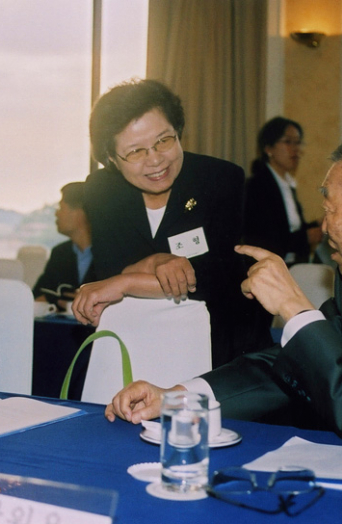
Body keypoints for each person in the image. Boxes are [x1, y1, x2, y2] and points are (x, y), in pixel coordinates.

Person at [105, 130, 342, 446]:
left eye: (331, 210)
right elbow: (296, 367)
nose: (323, 227)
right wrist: (177, 398)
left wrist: (295, 308)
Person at [73, 79, 271, 368]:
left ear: (178, 132)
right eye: (135, 151)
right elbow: (108, 268)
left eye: (163, 141)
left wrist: (126, 282)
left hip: (219, 345)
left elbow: (218, 277)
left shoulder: (220, 179)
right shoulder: (102, 191)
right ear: (112, 158)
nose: (155, 160)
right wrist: (157, 262)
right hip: (136, 340)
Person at [244, 117, 322, 265]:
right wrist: (305, 237)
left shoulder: (287, 184)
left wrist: (318, 224)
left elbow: (290, 230)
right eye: (288, 142)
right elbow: (264, 239)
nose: (295, 149)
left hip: (290, 265)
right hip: (265, 267)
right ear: (268, 148)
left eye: (297, 143)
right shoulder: (257, 186)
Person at [33, 182, 96, 311]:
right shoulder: (60, 253)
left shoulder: (111, 253)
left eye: (61, 208)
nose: (56, 214)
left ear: (80, 213)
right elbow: (37, 296)